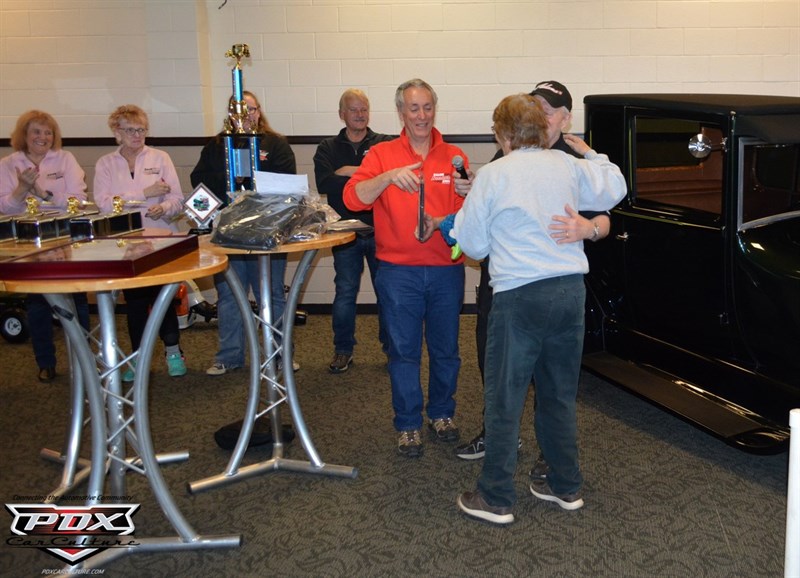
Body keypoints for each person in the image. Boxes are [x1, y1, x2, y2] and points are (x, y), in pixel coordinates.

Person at [443, 93, 625, 524]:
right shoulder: (565, 164)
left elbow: (473, 245)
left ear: (502, 134)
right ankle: (564, 485)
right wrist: (591, 152)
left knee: (504, 399)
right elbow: (615, 186)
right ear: (542, 129)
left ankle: (495, 497)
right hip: (569, 294)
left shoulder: (494, 175)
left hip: (519, 298)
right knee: (558, 395)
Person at [343, 79, 472, 457]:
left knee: (446, 349)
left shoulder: (454, 156)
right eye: (414, 108)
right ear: (401, 112)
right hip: (398, 272)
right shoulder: (381, 154)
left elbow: (469, 216)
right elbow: (352, 199)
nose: (422, 115)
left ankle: (442, 413)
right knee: (403, 351)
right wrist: (386, 178)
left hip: (446, 270)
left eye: (427, 107)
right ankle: (408, 423)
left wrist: (469, 194)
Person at [190, 90, 297, 376]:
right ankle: (229, 356)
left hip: (267, 233)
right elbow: (199, 182)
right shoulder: (217, 145)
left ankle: (279, 355)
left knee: (272, 296)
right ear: (230, 114)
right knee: (229, 297)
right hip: (228, 234)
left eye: (251, 109)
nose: (246, 115)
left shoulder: (275, 144)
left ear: (259, 111)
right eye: (238, 110)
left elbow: (287, 186)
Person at [93, 104, 187, 380]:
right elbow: (104, 205)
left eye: (141, 130)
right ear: (117, 132)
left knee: (163, 299)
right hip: (126, 244)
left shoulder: (161, 157)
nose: (137, 135)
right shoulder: (105, 164)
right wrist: (145, 194)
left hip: (160, 239)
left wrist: (164, 207)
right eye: (130, 130)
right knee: (135, 304)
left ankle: (173, 352)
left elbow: (177, 199)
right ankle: (136, 359)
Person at [0, 110, 91, 382]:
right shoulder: (8, 164)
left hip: (64, 237)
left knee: (77, 300)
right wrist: (21, 189)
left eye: (48, 132)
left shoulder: (66, 159)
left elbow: (78, 201)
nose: (43, 137)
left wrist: (43, 194)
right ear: (24, 135)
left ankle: (85, 360)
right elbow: (4, 207)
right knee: (38, 302)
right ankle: (45, 362)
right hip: (28, 241)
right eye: (37, 132)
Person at [313, 89, 393, 374]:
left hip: (381, 231)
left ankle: (392, 350)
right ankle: (343, 350)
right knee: (345, 292)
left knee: (387, 294)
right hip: (344, 234)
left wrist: (347, 171)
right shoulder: (327, 148)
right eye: (354, 109)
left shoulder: (384, 143)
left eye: (364, 109)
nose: (360, 115)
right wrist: (369, 176)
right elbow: (325, 184)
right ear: (341, 114)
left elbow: (389, 179)